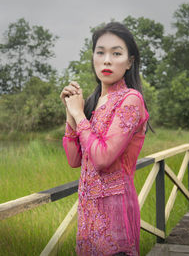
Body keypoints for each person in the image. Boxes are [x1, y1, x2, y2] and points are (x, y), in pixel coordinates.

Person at [60, 22, 149, 256]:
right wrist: (71, 114)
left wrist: (79, 114)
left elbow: (103, 158)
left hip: (116, 218)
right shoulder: (92, 102)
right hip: (88, 215)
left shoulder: (131, 99)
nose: (107, 60)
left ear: (129, 62)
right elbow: (74, 159)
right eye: (100, 52)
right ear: (93, 58)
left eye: (116, 53)